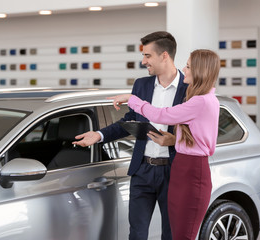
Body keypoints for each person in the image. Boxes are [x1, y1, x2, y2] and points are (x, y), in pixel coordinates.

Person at [73, 31, 188, 240]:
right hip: (142, 170)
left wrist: (176, 140)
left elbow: (199, 132)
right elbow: (129, 121)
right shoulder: (141, 85)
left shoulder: (190, 89)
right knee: (136, 234)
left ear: (164, 55)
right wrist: (99, 135)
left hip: (174, 171)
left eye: (147, 56)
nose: (143, 61)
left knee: (172, 234)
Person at [108, 49, 220, 240]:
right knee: (177, 233)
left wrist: (132, 100)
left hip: (192, 172)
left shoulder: (201, 102)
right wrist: (175, 140)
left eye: (189, 66)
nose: (184, 69)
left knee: (183, 235)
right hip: (182, 169)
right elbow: (199, 137)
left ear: (200, 71)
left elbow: (162, 115)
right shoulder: (203, 100)